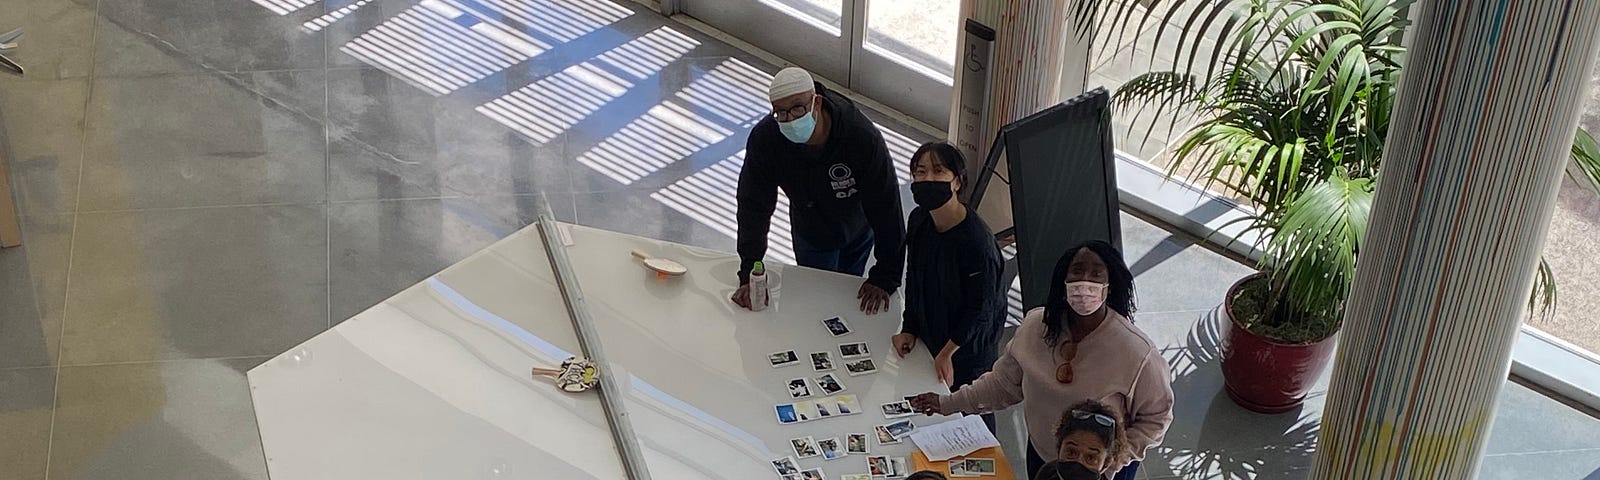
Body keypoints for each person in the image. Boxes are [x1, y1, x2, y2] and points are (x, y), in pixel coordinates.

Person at [908, 241, 1174, 480]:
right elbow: (1001, 385)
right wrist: (946, 403)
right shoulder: (1036, 325)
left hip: (1100, 471)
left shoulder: (1137, 352)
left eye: (1096, 273)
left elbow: (1157, 417)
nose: (1085, 281)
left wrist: (1116, 458)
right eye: (1077, 271)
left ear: (1110, 284)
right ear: (1063, 280)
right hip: (1042, 455)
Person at [732, 67, 905, 314]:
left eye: (798, 108)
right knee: (815, 301)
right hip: (811, 230)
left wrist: (886, 276)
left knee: (847, 294)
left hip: (857, 225)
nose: (790, 119)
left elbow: (887, 205)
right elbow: (753, 206)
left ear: (817, 103)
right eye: (781, 112)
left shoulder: (861, 137)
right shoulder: (767, 140)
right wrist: (750, 272)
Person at [890, 142, 1004, 426]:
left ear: (957, 181)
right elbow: (914, 276)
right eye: (920, 171)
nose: (927, 179)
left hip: (968, 351)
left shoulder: (976, 243)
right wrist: (909, 327)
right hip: (931, 336)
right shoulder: (919, 220)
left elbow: (981, 309)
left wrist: (948, 351)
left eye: (938, 171)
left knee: (972, 418)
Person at [1033, 400, 1125, 480]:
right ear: (1059, 448)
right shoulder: (1047, 473)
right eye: (1071, 452)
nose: (1078, 462)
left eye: (1090, 458)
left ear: (1106, 464)